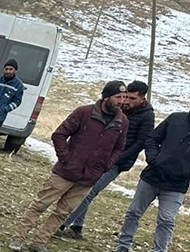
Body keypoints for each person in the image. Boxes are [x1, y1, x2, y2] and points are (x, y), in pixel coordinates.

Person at [11, 81, 129, 252]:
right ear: (106, 97)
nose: (121, 101)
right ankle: (18, 238)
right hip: (65, 172)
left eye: (124, 97)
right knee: (40, 204)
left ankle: (39, 242)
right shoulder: (84, 112)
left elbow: (119, 148)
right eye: (117, 97)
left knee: (63, 212)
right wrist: (66, 158)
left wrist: (105, 165)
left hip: (89, 177)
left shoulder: (122, 121)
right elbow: (59, 134)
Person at [58, 80, 155, 240]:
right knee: (85, 188)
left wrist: (117, 157)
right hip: (99, 156)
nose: (127, 101)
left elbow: (140, 142)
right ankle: (77, 226)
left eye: (132, 99)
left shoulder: (147, 115)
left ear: (142, 99)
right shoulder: (118, 108)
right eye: (126, 97)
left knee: (90, 190)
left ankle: (62, 223)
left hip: (116, 161)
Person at [111, 110, 190, 252]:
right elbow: (153, 138)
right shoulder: (176, 118)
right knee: (134, 212)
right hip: (152, 176)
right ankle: (123, 246)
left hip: (176, 185)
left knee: (166, 220)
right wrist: (154, 158)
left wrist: (185, 171)